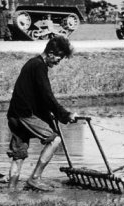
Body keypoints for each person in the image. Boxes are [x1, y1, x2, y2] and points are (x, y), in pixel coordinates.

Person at [6, 35, 79, 191]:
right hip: (25, 115)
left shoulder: (31, 64)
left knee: (18, 154)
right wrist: (65, 115)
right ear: (51, 53)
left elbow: (35, 96)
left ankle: (11, 191)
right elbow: (47, 95)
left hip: (14, 115)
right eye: (58, 59)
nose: (58, 62)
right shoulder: (39, 66)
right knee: (55, 140)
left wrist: (48, 115)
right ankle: (35, 178)